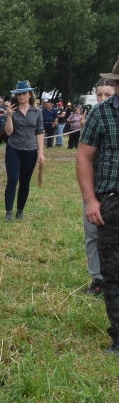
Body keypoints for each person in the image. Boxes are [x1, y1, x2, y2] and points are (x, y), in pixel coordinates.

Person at [77, 55, 119, 355]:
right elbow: (83, 158)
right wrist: (91, 201)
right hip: (111, 201)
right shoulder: (100, 114)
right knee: (113, 271)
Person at [82, 77, 115, 295]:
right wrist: (89, 197)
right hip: (95, 186)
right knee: (92, 233)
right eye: (99, 94)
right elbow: (83, 157)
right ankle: (97, 278)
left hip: (114, 186)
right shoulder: (96, 117)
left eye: (107, 95)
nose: (102, 98)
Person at [3, 81, 45, 222]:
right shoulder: (12, 110)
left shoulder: (37, 112)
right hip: (14, 148)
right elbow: (9, 132)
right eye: (19, 93)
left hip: (30, 149)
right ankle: (9, 211)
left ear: (29, 95)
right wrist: (9, 116)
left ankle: (20, 210)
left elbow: (39, 132)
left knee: (25, 181)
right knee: (13, 179)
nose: (21, 96)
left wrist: (41, 152)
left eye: (24, 93)